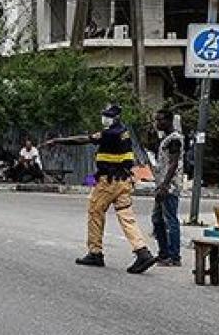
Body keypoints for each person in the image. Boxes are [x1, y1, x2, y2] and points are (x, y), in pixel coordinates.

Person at [44, 104, 156, 274]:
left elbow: (84, 140)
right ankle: (142, 251)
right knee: (126, 216)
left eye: (108, 116)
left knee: (95, 211)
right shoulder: (124, 131)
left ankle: (95, 252)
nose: (105, 118)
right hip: (124, 181)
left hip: (109, 181)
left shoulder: (111, 133)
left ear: (115, 118)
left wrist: (58, 141)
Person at [151, 110, 184, 267]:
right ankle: (164, 253)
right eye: (156, 120)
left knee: (170, 220)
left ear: (169, 120)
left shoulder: (174, 139)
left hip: (169, 186)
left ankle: (174, 256)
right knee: (157, 219)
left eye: (160, 120)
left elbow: (173, 163)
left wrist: (165, 185)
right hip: (161, 185)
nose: (157, 123)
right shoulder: (166, 138)